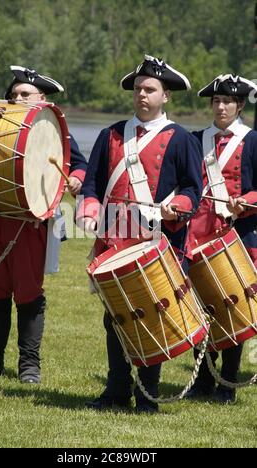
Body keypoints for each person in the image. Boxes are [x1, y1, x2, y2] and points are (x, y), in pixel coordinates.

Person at [76, 54, 203, 413]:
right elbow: (93, 184)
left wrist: (175, 205)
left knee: (153, 314)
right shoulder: (110, 134)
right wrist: (88, 209)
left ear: (166, 96)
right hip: (115, 241)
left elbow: (193, 190)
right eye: (138, 89)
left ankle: (147, 395)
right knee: (114, 317)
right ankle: (115, 392)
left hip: (157, 243)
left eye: (150, 89)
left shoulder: (180, 139)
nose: (142, 95)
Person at [0, 66, 87, 383]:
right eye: (13, 94)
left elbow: (80, 166)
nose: (17, 98)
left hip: (30, 225)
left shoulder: (50, 128)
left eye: (24, 94)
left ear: (42, 98)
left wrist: (75, 179)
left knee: (29, 292)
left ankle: (29, 366)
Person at [185, 74, 257, 403]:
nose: (221, 106)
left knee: (232, 307)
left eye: (227, 101)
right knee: (201, 308)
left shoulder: (253, 140)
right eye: (216, 101)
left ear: (239, 105)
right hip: (197, 235)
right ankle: (201, 380)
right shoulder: (196, 139)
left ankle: (227, 383)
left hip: (237, 235)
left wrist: (247, 201)